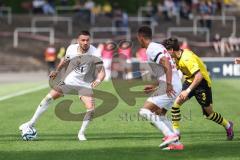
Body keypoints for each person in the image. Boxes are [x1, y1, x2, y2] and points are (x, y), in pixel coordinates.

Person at [19, 31, 105, 141]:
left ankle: (81, 133)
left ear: (90, 40)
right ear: (78, 41)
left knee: (91, 109)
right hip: (69, 80)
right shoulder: (71, 48)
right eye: (83, 40)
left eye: (87, 40)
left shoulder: (95, 52)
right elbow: (65, 61)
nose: (85, 42)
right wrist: (56, 71)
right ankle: (30, 123)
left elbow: (102, 72)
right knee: (48, 98)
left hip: (85, 84)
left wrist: (98, 80)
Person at [162, 37, 234, 140]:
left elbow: (199, 76)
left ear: (171, 50)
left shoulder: (187, 58)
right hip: (190, 81)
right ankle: (176, 134)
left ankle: (228, 125)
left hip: (202, 84)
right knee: (175, 105)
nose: (166, 54)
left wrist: (187, 91)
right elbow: (174, 72)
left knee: (209, 114)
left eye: (166, 51)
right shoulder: (177, 57)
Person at [137, 26, 184, 150]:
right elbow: (164, 69)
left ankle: (170, 136)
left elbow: (166, 64)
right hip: (173, 83)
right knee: (158, 113)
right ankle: (176, 144)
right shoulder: (158, 46)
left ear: (141, 38)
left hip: (170, 85)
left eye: (138, 39)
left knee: (144, 111)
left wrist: (168, 84)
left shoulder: (151, 49)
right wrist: (154, 86)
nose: (138, 41)